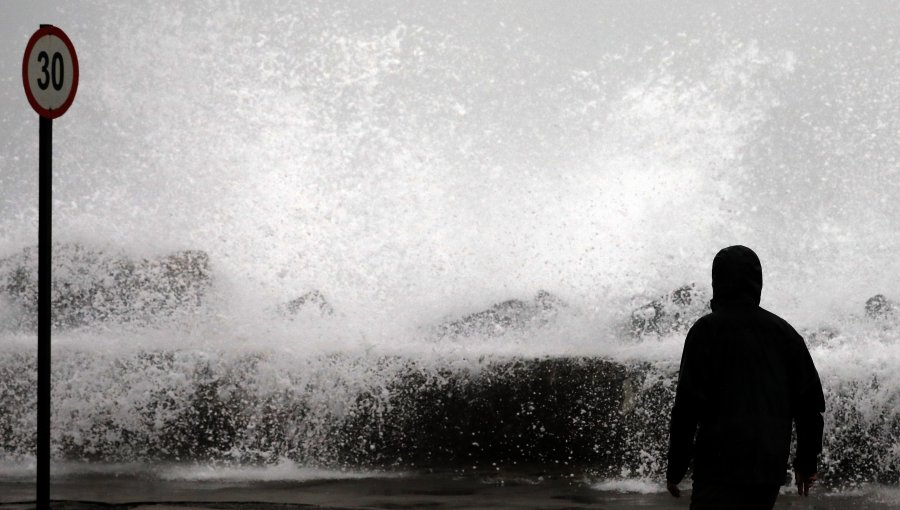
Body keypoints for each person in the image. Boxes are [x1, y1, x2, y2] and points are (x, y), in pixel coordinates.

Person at [665, 245, 825, 509]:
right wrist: (806, 463)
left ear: (717, 281)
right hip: (768, 468)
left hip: (718, 468)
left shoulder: (706, 330)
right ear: (757, 282)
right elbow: (809, 406)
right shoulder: (785, 333)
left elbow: (687, 407)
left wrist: (676, 468)